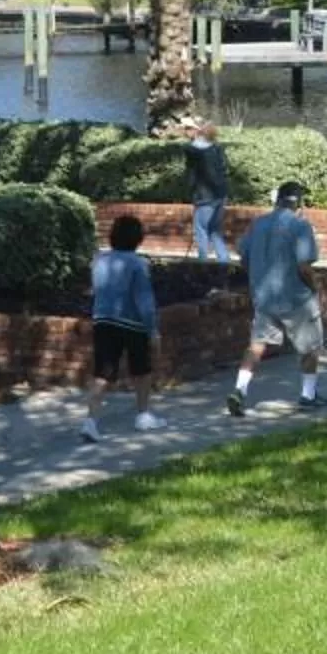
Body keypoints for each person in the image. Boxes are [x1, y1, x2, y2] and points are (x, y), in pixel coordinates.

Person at [227, 179, 325, 415]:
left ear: (277, 200)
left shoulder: (257, 224)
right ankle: (307, 395)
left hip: (264, 296)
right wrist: (314, 288)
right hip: (296, 297)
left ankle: (239, 390)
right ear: (298, 203)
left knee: (256, 345)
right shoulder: (300, 226)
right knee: (310, 347)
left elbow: (243, 257)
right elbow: (304, 266)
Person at [83, 213, 167, 443]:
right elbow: (144, 301)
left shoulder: (99, 260)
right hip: (132, 323)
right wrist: (152, 330)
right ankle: (143, 414)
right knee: (142, 370)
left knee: (103, 372)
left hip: (103, 319)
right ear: (137, 238)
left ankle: (90, 421)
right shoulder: (138, 264)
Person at [183, 117, 233, 262]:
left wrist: (190, 191)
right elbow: (224, 170)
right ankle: (224, 263)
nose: (185, 131)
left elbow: (191, 176)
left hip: (204, 197)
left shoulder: (191, 150)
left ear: (196, 130)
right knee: (215, 231)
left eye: (188, 128)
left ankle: (202, 266)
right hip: (220, 195)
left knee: (201, 231)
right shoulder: (217, 148)